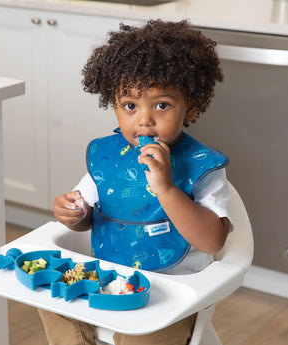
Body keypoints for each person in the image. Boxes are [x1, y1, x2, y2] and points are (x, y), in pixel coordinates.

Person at [39, 19, 232, 345]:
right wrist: (73, 213)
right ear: (113, 106)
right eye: (130, 105)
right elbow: (91, 215)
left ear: (191, 109)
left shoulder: (204, 167)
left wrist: (167, 189)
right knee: (50, 302)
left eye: (161, 105)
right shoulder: (108, 156)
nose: (144, 119)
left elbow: (213, 241)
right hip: (108, 277)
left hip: (172, 291)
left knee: (141, 336)